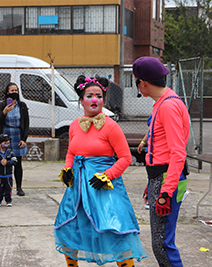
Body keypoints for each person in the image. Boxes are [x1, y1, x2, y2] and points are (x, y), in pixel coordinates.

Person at [54, 76, 147, 267]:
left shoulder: (111, 126)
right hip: (78, 189)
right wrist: (67, 169)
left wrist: (108, 175)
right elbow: (72, 152)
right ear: (81, 100)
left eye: (98, 96)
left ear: (103, 100)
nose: (94, 100)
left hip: (104, 190)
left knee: (114, 230)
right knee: (70, 229)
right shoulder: (74, 125)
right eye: (89, 96)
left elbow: (125, 158)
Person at [133, 56, 190, 267]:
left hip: (168, 179)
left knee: (162, 244)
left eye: (137, 82)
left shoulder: (167, 106)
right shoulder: (164, 101)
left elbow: (177, 152)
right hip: (161, 177)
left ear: (143, 83)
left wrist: (165, 191)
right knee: (162, 241)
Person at [0, 82, 29, 197]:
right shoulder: (2, 105)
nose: (14, 92)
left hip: (17, 135)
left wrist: (24, 139)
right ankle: (4, 187)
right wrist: (4, 112)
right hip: (5, 135)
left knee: (17, 162)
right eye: (12, 90)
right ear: (7, 92)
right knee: (4, 162)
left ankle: (19, 187)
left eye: (16, 90)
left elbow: (26, 123)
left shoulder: (22, 105)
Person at [0, 134, 17, 207]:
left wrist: (7, 163)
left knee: (8, 188)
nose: (6, 145)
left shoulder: (10, 152)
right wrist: (0, 163)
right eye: (5, 143)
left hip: (8, 175)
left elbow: (14, 161)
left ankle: (8, 200)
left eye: (8, 143)